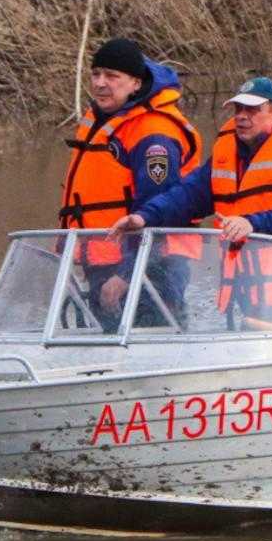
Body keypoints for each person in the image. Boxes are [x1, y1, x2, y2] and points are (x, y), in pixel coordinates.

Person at [108, 76, 272, 327]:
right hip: (253, 296)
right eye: (238, 109)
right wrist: (144, 217)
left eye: (252, 109)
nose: (241, 116)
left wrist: (251, 224)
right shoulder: (225, 155)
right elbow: (187, 196)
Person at [58, 37, 202, 330]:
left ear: (135, 83)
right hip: (105, 262)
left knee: (156, 348)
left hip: (152, 268)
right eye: (96, 74)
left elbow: (158, 216)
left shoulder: (154, 136)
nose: (100, 83)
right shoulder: (100, 122)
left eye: (112, 76)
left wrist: (126, 275)